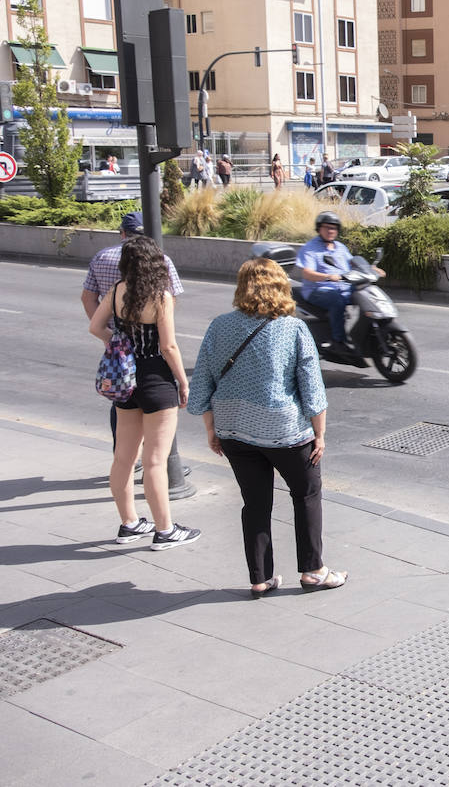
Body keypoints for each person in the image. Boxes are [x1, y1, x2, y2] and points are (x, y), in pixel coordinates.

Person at [188, 257, 344, 596]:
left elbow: (203, 382)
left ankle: (260, 578)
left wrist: (211, 430)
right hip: (286, 432)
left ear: (242, 286)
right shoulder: (294, 328)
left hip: (234, 431)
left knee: (254, 503)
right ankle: (313, 571)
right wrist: (320, 434)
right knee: (306, 494)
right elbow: (312, 389)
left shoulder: (219, 326)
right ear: (281, 286)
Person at [87, 235, 201, 550]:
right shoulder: (161, 297)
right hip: (155, 379)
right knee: (154, 460)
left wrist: (118, 342)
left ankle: (130, 523)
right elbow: (168, 346)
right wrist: (183, 381)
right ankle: (164, 530)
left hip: (125, 380)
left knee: (123, 456)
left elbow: (95, 328)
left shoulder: (115, 292)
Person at [82, 211, 191, 484]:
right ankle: (164, 515)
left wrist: (114, 341)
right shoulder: (161, 263)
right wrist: (183, 381)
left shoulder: (103, 260)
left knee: (123, 441)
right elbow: (169, 337)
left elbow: (88, 302)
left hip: (122, 355)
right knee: (157, 453)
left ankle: (128, 473)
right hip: (153, 362)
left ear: (122, 233)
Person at [295, 211, 385, 352]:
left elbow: (353, 263)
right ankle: (338, 341)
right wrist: (328, 277)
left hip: (342, 286)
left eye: (334, 227)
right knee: (337, 301)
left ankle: (369, 334)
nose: (331, 230)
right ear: (319, 228)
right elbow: (307, 273)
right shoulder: (310, 249)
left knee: (367, 295)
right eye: (327, 227)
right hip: (317, 289)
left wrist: (371, 268)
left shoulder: (340, 248)